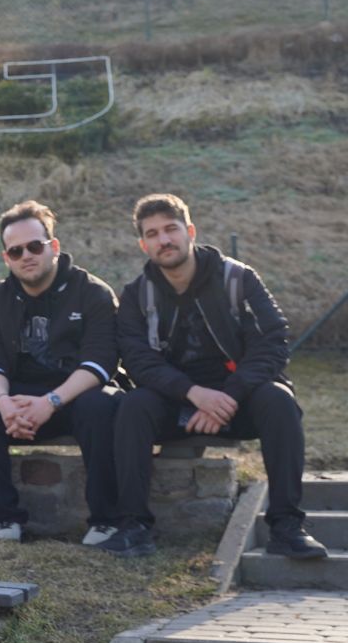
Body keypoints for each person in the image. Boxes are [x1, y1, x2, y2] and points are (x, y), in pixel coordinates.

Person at [113, 194, 327, 560]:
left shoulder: (237, 278)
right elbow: (138, 361)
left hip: (239, 398)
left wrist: (227, 396)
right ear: (143, 245)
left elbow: (272, 341)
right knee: (133, 406)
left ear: (190, 231)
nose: (164, 240)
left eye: (171, 229)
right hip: (176, 403)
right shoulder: (137, 294)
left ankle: (286, 526)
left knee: (279, 401)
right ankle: (134, 527)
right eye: (153, 234)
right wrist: (195, 394)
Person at [0, 201, 122, 544]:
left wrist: (51, 402)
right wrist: (4, 403)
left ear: (54, 247)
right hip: (19, 402)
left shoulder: (92, 292)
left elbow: (100, 361)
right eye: (16, 251)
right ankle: (4, 518)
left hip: (73, 396)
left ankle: (106, 520)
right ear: (6, 258)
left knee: (100, 406)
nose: (26, 256)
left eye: (35, 246)